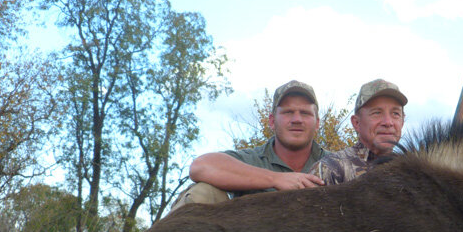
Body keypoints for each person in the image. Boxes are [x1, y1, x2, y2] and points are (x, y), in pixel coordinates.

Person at [171, 80, 326, 211]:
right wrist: (275, 179)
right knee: (203, 192)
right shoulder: (250, 160)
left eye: (305, 113)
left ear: (317, 122)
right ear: (272, 121)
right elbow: (200, 166)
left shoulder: (338, 165)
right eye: (288, 112)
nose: (297, 119)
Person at [313, 78, 406, 184]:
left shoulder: (410, 170)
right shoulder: (330, 168)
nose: (388, 122)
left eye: (395, 114)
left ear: (402, 122)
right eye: (377, 113)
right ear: (356, 123)